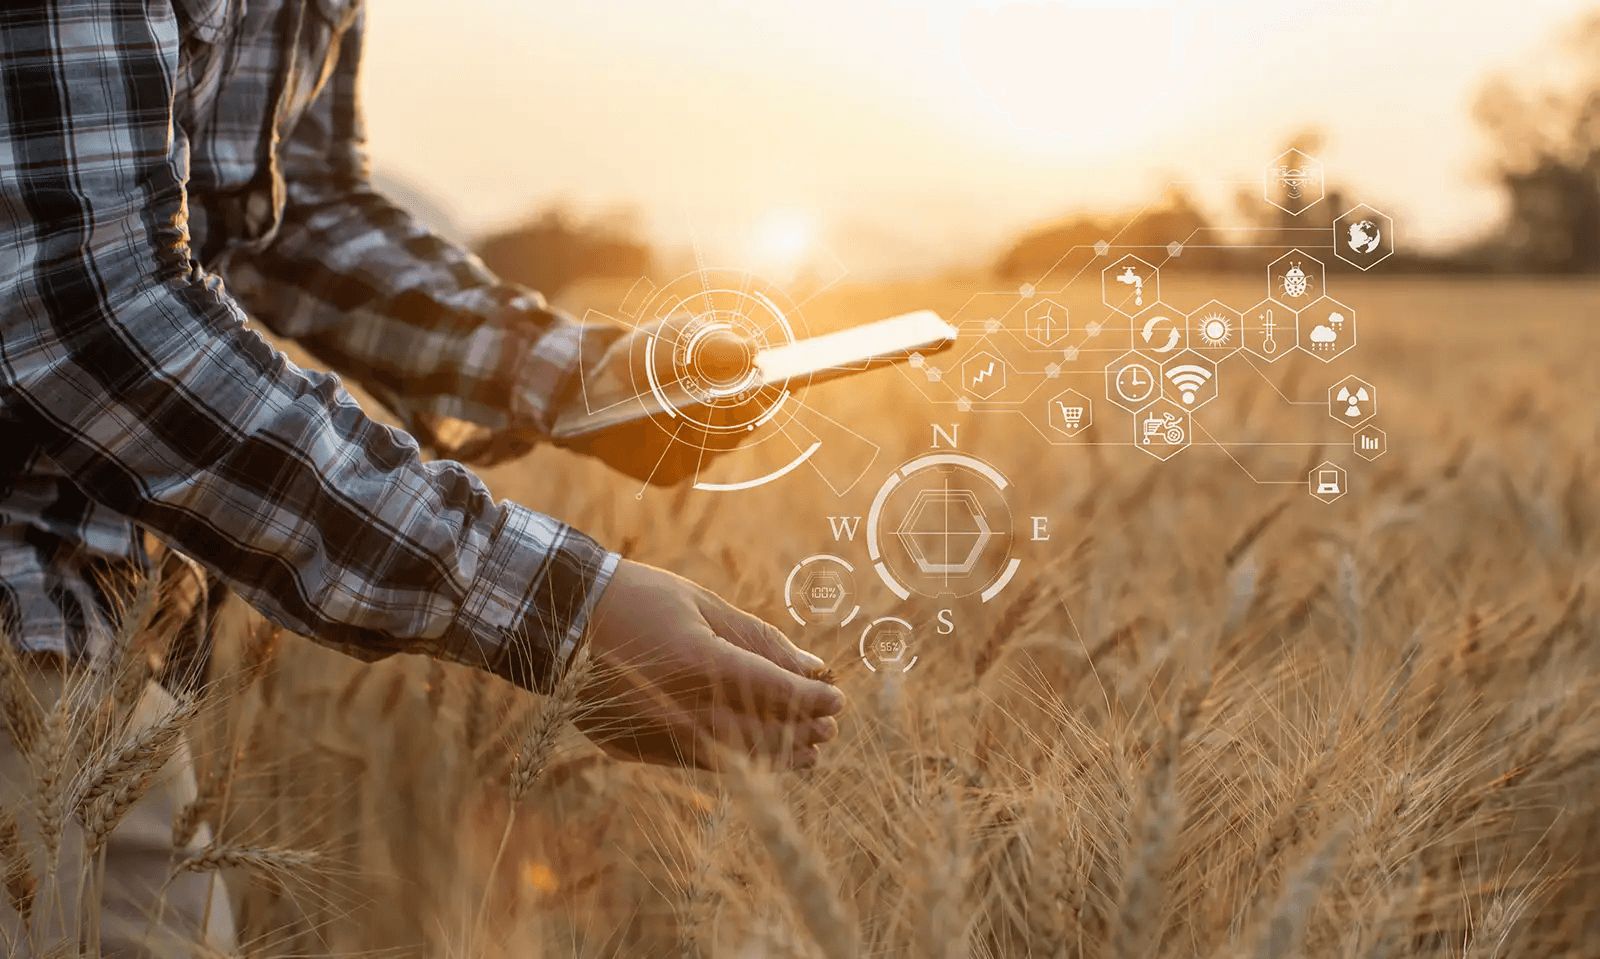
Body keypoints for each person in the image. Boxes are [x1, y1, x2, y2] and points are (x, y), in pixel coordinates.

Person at [0, 0, 844, 954]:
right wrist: (560, 605)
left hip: (104, 633)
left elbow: (287, 204)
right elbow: (89, 312)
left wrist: (576, 375)